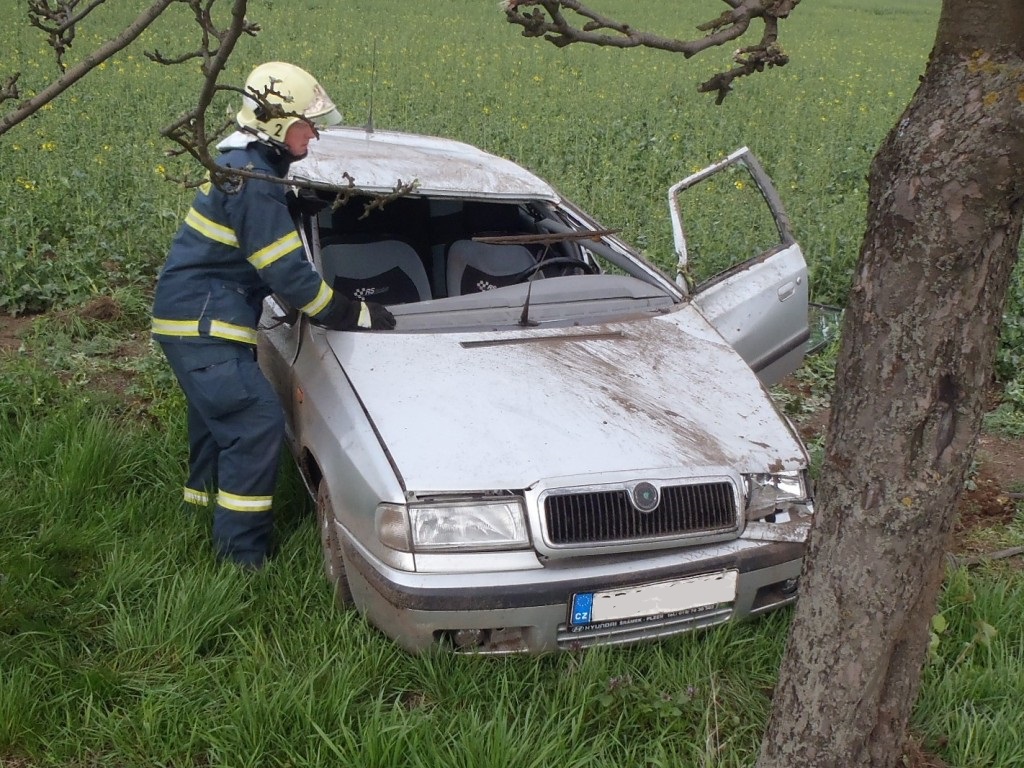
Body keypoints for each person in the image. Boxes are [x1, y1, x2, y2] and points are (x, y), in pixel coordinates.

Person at [151, 61, 395, 569]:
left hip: (193, 316)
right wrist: (353, 313)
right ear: (279, 126)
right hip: (203, 320)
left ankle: (199, 514)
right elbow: (288, 274)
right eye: (309, 123)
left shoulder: (243, 165)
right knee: (255, 422)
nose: (316, 133)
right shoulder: (255, 181)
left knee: (217, 419)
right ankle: (243, 559)